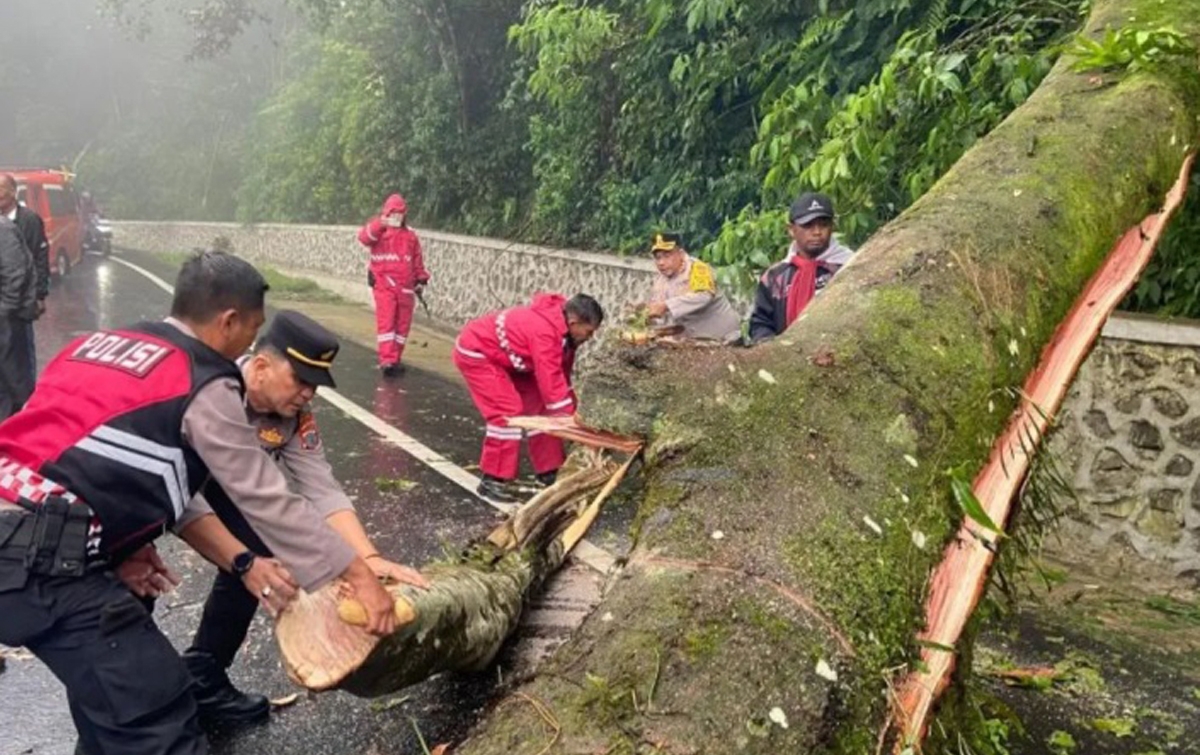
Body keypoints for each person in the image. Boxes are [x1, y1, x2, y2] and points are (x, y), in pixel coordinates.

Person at [0, 250, 396, 755]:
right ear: (231, 323)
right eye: (250, 333)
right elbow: (265, 496)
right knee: (157, 710)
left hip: (34, 530)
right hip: (40, 555)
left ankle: (196, 674)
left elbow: (73, 454)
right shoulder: (205, 381)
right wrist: (358, 576)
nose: (307, 395)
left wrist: (117, 544)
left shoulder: (103, 343)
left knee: (112, 706)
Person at [176, 309, 429, 727]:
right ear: (261, 366)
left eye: (316, 385)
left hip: (228, 487)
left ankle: (203, 676)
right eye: (301, 381)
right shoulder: (209, 390)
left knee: (262, 550)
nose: (308, 394)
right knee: (235, 562)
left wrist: (367, 558)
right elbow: (179, 495)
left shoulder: (292, 417)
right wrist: (239, 561)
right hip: (158, 488)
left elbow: (321, 488)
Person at [453, 293, 604, 503]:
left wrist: (574, 411)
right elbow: (550, 382)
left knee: (541, 407)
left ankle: (549, 470)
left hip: (511, 359)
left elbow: (561, 377)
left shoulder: (565, 333)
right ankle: (492, 479)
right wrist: (575, 424)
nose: (590, 337)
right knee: (507, 412)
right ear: (574, 322)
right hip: (478, 353)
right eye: (589, 331)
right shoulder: (545, 333)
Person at [747, 192, 854, 343]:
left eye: (823, 225)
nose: (817, 232)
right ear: (791, 230)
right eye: (807, 225)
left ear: (832, 227)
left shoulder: (849, 267)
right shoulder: (775, 277)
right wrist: (771, 348)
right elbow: (760, 323)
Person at [357, 194, 429, 376]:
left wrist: (421, 280)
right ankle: (387, 360)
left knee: (402, 326)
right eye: (394, 213)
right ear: (387, 213)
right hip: (384, 285)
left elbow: (417, 260)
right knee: (387, 322)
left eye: (401, 213)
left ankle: (395, 359)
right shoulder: (378, 232)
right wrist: (381, 223)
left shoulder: (410, 237)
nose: (397, 217)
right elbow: (364, 237)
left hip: (405, 288)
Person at [635, 232, 741, 343]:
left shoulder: (698, 269)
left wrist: (665, 306)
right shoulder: (661, 281)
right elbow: (660, 312)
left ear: (680, 253)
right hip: (692, 341)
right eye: (658, 258)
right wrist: (644, 314)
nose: (661, 263)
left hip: (723, 339)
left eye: (667, 256)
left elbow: (704, 295)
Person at [0, 174, 49, 385]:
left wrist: (39, 294)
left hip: (20, 303)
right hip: (5, 302)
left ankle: (26, 403)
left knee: (21, 357)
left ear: (12, 192)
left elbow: (39, 257)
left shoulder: (28, 219)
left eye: (1, 188)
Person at [0, 215, 35, 420]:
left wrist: (5, 310)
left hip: (8, 318)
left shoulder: (2, 230)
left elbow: (15, 273)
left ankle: (25, 431)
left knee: (15, 380)